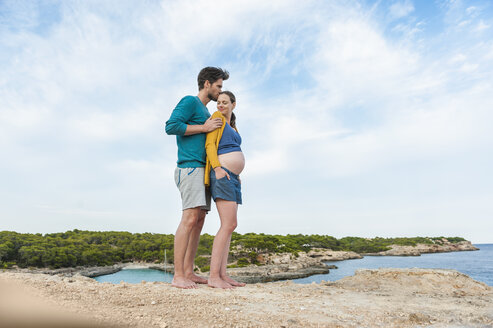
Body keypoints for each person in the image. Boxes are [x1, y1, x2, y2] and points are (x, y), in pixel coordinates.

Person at [165, 67, 229, 289]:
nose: (220, 90)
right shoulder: (190, 102)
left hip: (204, 171)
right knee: (189, 219)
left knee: (199, 221)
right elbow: (171, 126)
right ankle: (178, 275)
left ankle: (189, 272)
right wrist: (204, 127)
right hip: (190, 167)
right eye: (218, 86)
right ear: (207, 84)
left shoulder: (205, 111)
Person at [204, 91, 246, 289]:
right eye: (218, 102)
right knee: (227, 225)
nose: (220, 105)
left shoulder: (232, 125)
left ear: (233, 104)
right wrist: (217, 168)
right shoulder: (217, 118)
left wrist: (237, 174)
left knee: (231, 226)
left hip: (233, 177)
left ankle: (223, 275)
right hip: (222, 174)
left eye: (224, 102)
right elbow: (210, 145)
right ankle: (214, 277)